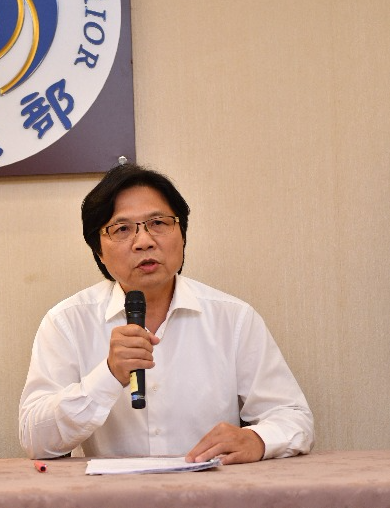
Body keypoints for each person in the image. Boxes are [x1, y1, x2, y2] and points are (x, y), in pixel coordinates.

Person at [19, 164, 314, 464]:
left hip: (210, 487)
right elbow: (36, 440)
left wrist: (256, 439)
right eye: (122, 229)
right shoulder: (67, 322)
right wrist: (107, 375)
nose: (144, 241)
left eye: (158, 223)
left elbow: (293, 417)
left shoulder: (234, 318)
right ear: (99, 252)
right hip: (109, 490)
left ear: (182, 235)